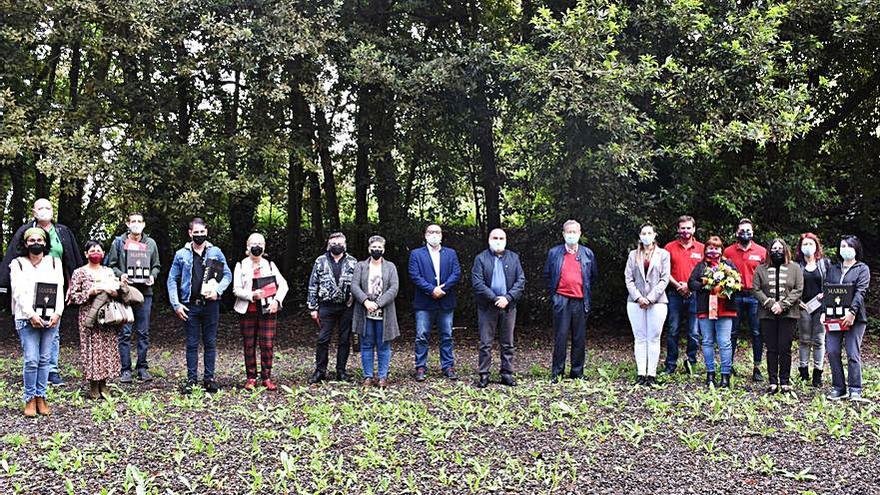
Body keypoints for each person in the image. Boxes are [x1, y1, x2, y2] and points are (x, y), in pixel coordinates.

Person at [1, 198, 84, 386]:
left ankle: (51, 370)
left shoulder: (62, 232)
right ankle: (33, 368)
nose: (45, 211)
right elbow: (12, 259)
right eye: (41, 208)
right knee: (31, 327)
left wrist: (73, 284)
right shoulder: (24, 232)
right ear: (33, 212)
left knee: (53, 328)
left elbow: (71, 259)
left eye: (48, 207)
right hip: (28, 286)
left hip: (55, 285)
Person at [167, 218, 232, 393]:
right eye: (196, 233)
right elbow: (172, 279)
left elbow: (227, 275)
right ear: (190, 233)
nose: (199, 235)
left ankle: (209, 379)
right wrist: (176, 304)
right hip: (190, 305)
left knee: (210, 342)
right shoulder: (181, 254)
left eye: (202, 232)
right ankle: (191, 380)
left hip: (211, 305)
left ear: (207, 232)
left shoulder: (216, 252)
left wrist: (218, 291)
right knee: (192, 344)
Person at [9, 227, 64, 416]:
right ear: (25, 244)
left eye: (39, 240)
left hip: (51, 318)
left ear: (45, 243)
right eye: (31, 240)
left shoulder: (55, 262)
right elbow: (18, 291)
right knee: (31, 360)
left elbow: (60, 289)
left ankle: (41, 396)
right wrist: (31, 314)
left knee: (45, 360)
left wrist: (58, 313)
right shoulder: (18, 264)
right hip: (26, 319)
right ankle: (30, 398)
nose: (35, 243)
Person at [106, 212, 161, 383]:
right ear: (127, 224)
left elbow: (156, 265)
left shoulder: (150, 243)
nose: (136, 224)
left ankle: (142, 367)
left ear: (144, 224)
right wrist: (120, 274)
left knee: (143, 332)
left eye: (139, 221)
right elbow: (111, 265)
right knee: (125, 332)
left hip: (145, 293)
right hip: (125, 292)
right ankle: (125, 369)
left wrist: (153, 275)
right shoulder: (119, 242)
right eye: (133, 221)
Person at [66, 240, 125, 400]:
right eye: (92, 250)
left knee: (107, 348)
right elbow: (72, 296)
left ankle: (104, 383)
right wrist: (91, 291)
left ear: (104, 254)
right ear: (86, 254)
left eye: (99, 250)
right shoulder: (79, 272)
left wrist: (114, 292)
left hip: (107, 315)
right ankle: (93, 384)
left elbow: (118, 292)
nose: (95, 253)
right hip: (88, 314)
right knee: (91, 349)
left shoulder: (109, 271)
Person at [543, 220, 599, 382]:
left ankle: (577, 372)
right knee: (560, 337)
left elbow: (593, 276)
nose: (571, 235)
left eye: (574, 232)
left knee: (579, 338)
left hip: (580, 300)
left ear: (580, 234)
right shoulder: (554, 253)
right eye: (569, 232)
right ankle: (557, 373)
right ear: (563, 234)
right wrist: (554, 296)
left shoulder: (587, 254)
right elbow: (547, 275)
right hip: (561, 299)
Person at [232, 233, 289, 391]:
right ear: (247, 246)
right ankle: (251, 377)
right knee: (249, 345)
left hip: (267, 310)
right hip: (247, 310)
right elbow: (236, 289)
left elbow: (283, 285)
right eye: (254, 243)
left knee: (267, 344)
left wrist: (277, 301)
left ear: (264, 247)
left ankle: (266, 377)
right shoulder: (241, 265)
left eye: (260, 243)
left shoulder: (270, 264)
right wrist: (251, 295)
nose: (257, 246)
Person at [471, 228, 526, 388]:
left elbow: (520, 281)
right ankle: (484, 374)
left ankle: (507, 374)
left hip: (509, 307)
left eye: (501, 238)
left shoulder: (514, 258)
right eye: (495, 237)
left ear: (506, 240)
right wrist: (495, 299)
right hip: (487, 306)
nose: (498, 240)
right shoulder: (480, 259)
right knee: (485, 343)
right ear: (489, 239)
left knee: (507, 342)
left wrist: (507, 298)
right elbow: (478, 283)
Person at [408, 224, 462, 381]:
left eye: (437, 232)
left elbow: (456, 273)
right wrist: (432, 289)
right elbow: (414, 275)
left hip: (446, 300)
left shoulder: (451, 253)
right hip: (424, 302)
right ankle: (420, 367)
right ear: (425, 235)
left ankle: (448, 366)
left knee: (447, 335)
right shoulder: (416, 254)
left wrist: (443, 289)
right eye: (431, 232)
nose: (434, 235)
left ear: (442, 235)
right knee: (422, 335)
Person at [752, 239, 804, 394]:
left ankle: (785, 381)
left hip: (789, 314)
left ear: (785, 249)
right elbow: (756, 289)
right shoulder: (761, 269)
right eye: (774, 248)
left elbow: (798, 289)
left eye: (780, 248)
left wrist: (783, 304)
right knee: (772, 348)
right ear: (769, 250)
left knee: (785, 347)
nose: (777, 251)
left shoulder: (795, 268)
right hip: (767, 314)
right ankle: (773, 381)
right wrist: (769, 303)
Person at [307, 232, 358, 385]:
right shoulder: (320, 261)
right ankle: (320, 371)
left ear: (345, 244)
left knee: (344, 340)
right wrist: (312, 307)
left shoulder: (353, 262)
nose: (337, 245)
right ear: (329, 244)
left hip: (346, 306)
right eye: (334, 242)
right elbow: (313, 284)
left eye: (340, 242)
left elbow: (358, 285)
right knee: (323, 339)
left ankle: (341, 371)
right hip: (326, 306)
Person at [825, 236, 871, 402]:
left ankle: (855, 389)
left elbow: (861, 292)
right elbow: (828, 291)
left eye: (848, 246)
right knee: (832, 351)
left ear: (856, 248)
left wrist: (852, 312)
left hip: (855, 319)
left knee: (852, 353)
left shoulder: (862, 268)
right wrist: (825, 312)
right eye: (842, 246)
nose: (845, 249)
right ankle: (839, 388)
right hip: (834, 318)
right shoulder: (834, 269)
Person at [689, 236, 739, 389]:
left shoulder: (728, 265)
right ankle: (710, 373)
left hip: (725, 309)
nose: (713, 251)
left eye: (716, 248)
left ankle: (725, 375)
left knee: (724, 342)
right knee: (707, 341)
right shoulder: (700, 266)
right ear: (705, 250)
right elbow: (691, 283)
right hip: (705, 309)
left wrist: (725, 287)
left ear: (721, 250)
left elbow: (738, 283)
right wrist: (706, 283)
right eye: (710, 248)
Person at [624, 223, 670, 386]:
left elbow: (665, 279)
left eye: (649, 232)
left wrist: (650, 298)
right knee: (640, 338)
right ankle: (641, 373)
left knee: (654, 338)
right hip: (635, 302)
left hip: (657, 302)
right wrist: (638, 297)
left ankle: (652, 374)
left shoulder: (663, 254)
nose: (646, 235)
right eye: (644, 233)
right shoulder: (633, 255)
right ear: (639, 235)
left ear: (655, 235)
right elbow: (628, 278)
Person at [351, 236, 400, 388]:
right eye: (374, 247)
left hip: (384, 311)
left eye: (380, 247)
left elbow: (394, 288)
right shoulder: (360, 266)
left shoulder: (390, 266)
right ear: (369, 249)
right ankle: (367, 376)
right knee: (366, 344)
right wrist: (366, 301)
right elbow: (354, 286)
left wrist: (378, 304)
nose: (377, 250)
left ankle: (382, 376)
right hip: (365, 311)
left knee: (384, 344)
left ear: (384, 250)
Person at [724, 218, 767, 382]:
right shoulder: (728, 252)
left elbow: (767, 275)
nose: (745, 234)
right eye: (742, 231)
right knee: (732, 332)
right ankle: (729, 366)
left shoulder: (762, 251)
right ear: (737, 232)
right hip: (734, 295)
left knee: (756, 333)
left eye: (748, 231)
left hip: (755, 297)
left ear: (753, 232)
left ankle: (757, 367)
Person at [662, 215, 704, 374]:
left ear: (694, 229)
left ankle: (691, 363)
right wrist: (678, 285)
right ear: (678, 229)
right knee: (673, 330)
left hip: (695, 294)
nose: (685, 231)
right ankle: (670, 364)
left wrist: (690, 286)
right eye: (682, 228)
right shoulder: (669, 248)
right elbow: (664, 271)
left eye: (688, 228)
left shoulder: (702, 248)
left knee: (694, 332)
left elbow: (705, 272)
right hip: (674, 293)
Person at [794, 233, 831, 387]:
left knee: (819, 340)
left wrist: (826, 295)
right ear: (800, 247)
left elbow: (831, 284)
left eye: (810, 244)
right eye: (805, 244)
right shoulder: (796, 265)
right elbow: (791, 286)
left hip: (820, 308)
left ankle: (818, 373)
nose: (807, 247)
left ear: (816, 246)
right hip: (803, 306)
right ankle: (803, 371)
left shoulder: (825, 264)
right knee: (804, 340)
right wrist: (797, 301)